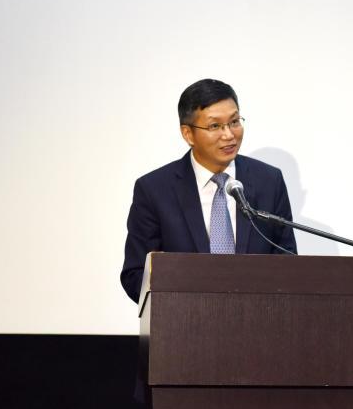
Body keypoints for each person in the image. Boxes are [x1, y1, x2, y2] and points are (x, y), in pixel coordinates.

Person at [120, 79, 298, 303]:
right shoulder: (154, 190)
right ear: (188, 134)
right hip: (185, 319)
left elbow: (288, 263)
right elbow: (135, 274)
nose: (229, 135)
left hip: (259, 318)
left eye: (234, 121)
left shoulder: (269, 181)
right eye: (215, 126)